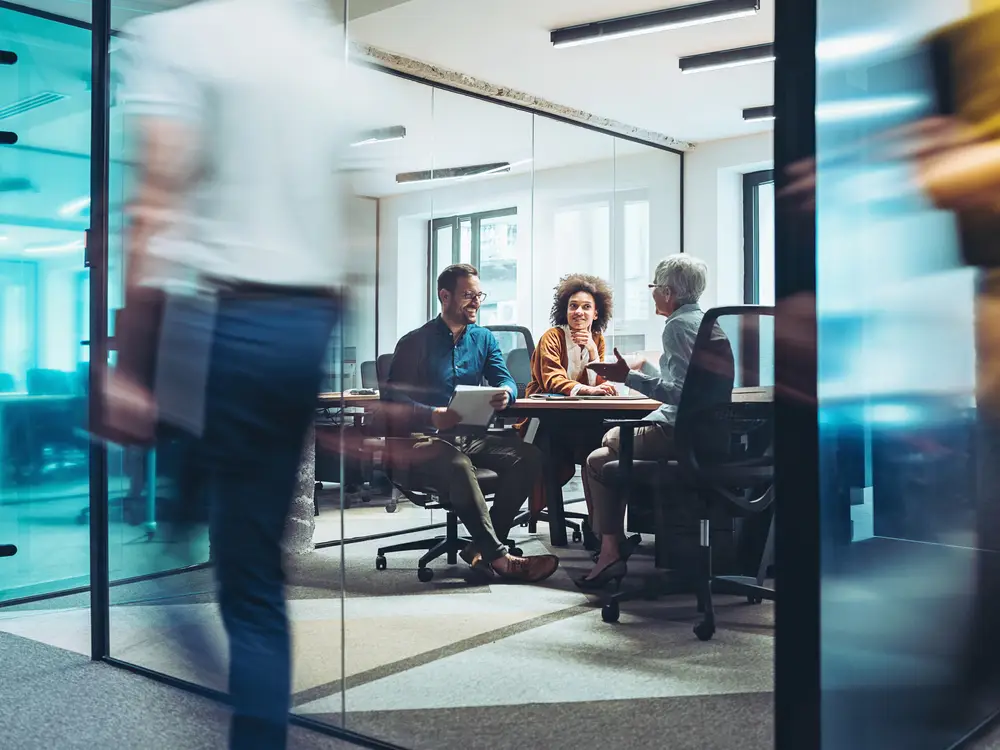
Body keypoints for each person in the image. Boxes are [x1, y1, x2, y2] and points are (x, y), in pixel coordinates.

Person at [117, 2, 359, 747]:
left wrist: (130, 360)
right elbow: (342, 227)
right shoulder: (323, 56)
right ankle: (257, 721)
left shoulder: (178, 35)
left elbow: (157, 198)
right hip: (304, 323)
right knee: (253, 581)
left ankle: (245, 709)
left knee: (165, 563)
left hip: (221, 320)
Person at [383, 264, 558, 583]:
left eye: (479, 295)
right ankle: (501, 559)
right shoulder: (414, 342)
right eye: (468, 295)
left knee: (528, 457)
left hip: (469, 435)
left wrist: (506, 393)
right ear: (444, 296)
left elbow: (505, 379)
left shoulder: (484, 339)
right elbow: (392, 400)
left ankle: (480, 548)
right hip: (422, 440)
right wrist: (430, 413)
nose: (476, 301)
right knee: (459, 465)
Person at [579, 254, 725, 588]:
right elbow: (689, 385)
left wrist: (627, 377)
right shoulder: (706, 322)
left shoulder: (675, 326)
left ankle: (609, 551)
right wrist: (644, 372)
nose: (652, 294)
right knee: (600, 460)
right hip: (708, 435)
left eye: (654, 287)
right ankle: (610, 550)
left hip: (678, 433)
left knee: (608, 442)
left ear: (669, 292)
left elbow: (678, 394)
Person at [521, 273, 616, 539]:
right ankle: (565, 530)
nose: (579, 311)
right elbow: (552, 379)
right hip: (545, 420)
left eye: (586, 307)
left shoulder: (596, 339)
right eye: (573, 305)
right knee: (572, 444)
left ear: (596, 313)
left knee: (598, 446)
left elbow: (601, 382)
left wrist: (595, 355)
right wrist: (588, 389)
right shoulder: (552, 337)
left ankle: (598, 525)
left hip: (580, 417)